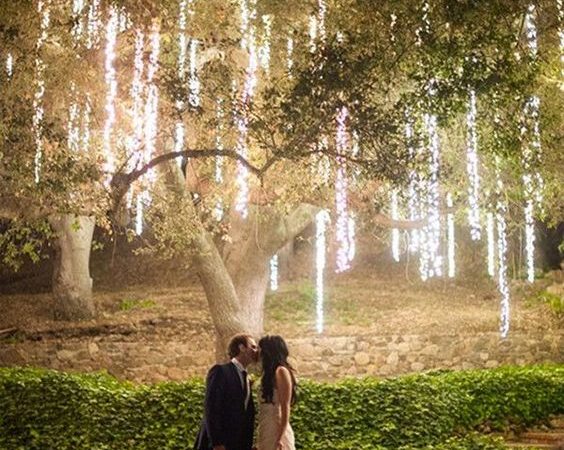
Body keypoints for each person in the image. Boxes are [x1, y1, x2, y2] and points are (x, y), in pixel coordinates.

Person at [194, 334, 259, 450]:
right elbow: (211, 408)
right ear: (242, 347)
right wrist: (217, 443)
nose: (256, 351)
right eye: (253, 347)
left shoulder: (246, 378)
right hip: (220, 444)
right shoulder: (221, 371)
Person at [256, 335, 297, 450]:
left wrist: (280, 437)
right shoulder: (269, 373)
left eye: (261, 349)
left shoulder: (281, 371)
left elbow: (285, 406)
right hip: (266, 424)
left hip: (276, 425)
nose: (259, 352)